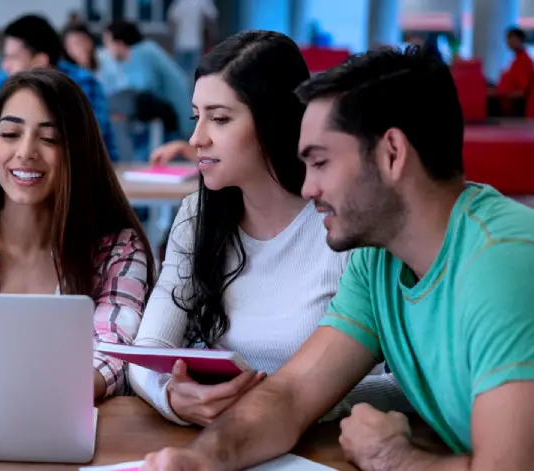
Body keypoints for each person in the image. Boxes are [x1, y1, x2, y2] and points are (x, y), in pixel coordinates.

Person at [143, 46, 534, 471]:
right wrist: (198, 461)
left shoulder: (501, 262)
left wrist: (394, 458)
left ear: (391, 154)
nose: (308, 188)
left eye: (321, 162)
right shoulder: (377, 261)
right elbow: (290, 395)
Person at [130, 31, 406, 428]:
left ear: (275, 121)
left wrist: (288, 399)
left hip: (325, 449)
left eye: (220, 119)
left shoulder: (347, 226)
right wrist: (171, 395)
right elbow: (149, 349)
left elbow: (403, 384)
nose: (196, 138)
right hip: (222, 440)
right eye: (196, 116)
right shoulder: (197, 217)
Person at [0, 68, 155, 399]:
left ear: (78, 151)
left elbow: (115, 355)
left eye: (49, 139)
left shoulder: (117, 249)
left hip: (66, 420)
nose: (25, 152)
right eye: (10, 134)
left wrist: (31, 395)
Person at [0, 14, 118, 163]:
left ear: (40, 60)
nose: (5, 66)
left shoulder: (82, 84)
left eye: (13, 58)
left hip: (84, 183)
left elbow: (83, 144)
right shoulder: (4, 82)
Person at [101, 21, 193, 141]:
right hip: (176, 120)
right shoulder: (145, 50)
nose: (107, 50)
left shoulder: (141, 53)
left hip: (176, 124)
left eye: (107, 43)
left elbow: (141, 89)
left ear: (119, 43)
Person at [166, 0, 217, 77]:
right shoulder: (202, 2)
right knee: (193, 75)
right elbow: (213, 16)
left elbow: (171, 19)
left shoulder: (179, 3)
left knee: (179, 75)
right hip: (195, 44)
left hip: (181, 44)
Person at [491, 27, 533, 117]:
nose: (509, 43)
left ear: (521, 40)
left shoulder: (524, 61)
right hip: (506, 98)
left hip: (512, 103)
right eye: (508, 40)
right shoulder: (516, 60)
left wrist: (500, 95)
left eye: (512, 40)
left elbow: (523, 91)